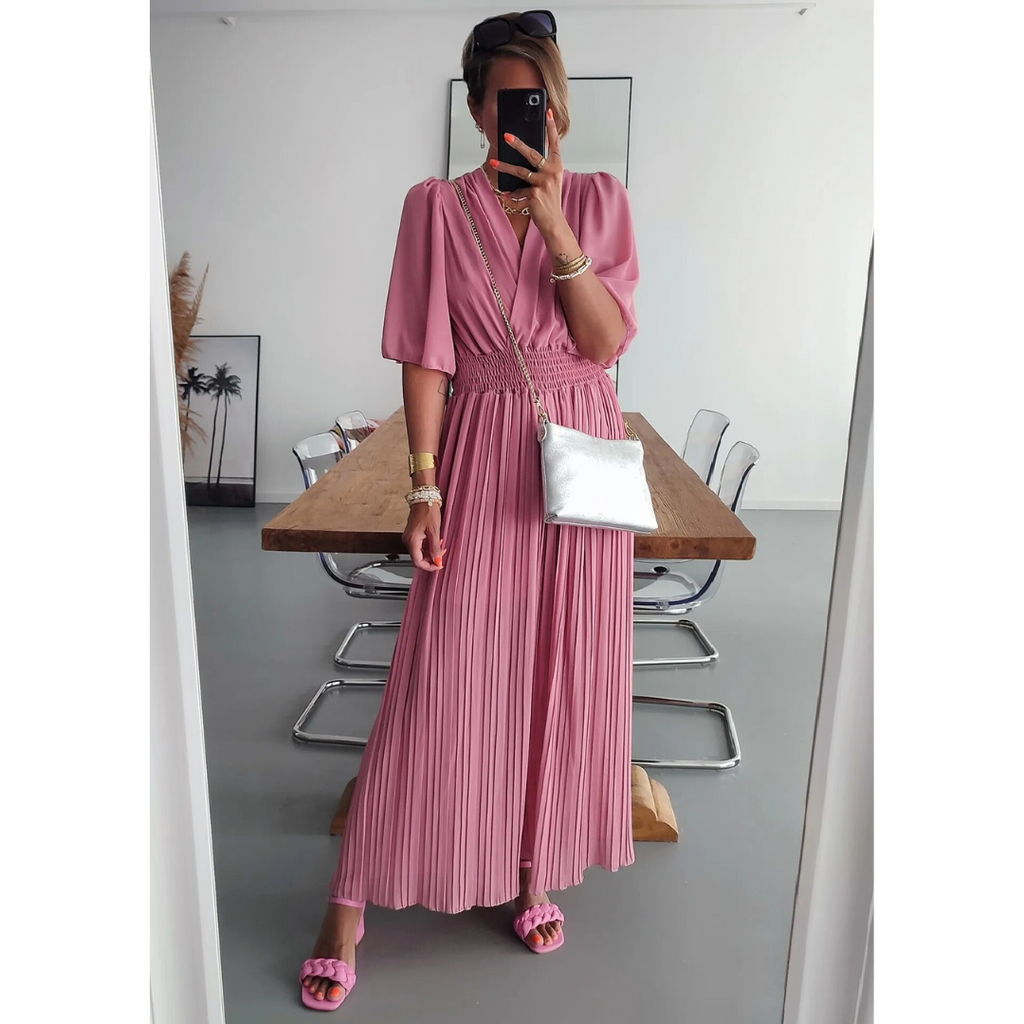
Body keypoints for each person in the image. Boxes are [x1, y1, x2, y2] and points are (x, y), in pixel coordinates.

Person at [299, 10, 640, 1010]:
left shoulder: (600, 201)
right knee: (438, 676)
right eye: (511, 98)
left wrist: (556, 224)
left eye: (544, 95)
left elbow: (602, 344)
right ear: (480, 109)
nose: (532, 113)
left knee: (558, 674)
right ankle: (347, 903)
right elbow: (424, 357)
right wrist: (423, 483)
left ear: (560, 105)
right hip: (484, 448)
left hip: (579, 455)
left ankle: (533, 869)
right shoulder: (436, 209)